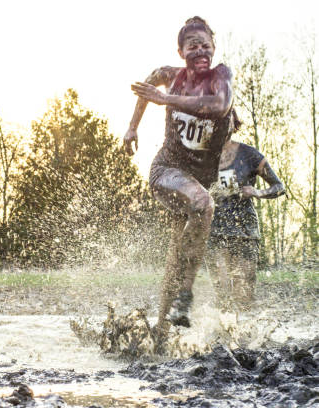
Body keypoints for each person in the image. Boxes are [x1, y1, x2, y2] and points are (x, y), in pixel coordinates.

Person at [123, 16, 233, 342]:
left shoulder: (221, 77)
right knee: (203, 203)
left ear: (213, 48)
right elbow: (147, 88)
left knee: (176, 254)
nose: (200, 51)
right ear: (181, 51)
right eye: (192, 46)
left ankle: (160, 331)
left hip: (199, 179)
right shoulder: (170, 77)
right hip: (167, 173)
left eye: (206, 45)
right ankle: (185, 297)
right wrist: (132, 127)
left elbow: (220, 104)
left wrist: (167, 100)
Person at [206, 110, 285, 309]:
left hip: (245, 230)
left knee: (244, 293)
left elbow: (279, 187)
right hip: (215, 230)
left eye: (227, 119)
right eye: (218, 120)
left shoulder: (249, 155)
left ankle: (245, 335)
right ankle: (223, 333)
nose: (223, 124)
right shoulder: (203, 157)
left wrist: (257, 192)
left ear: (234, 123)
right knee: (222, 290)